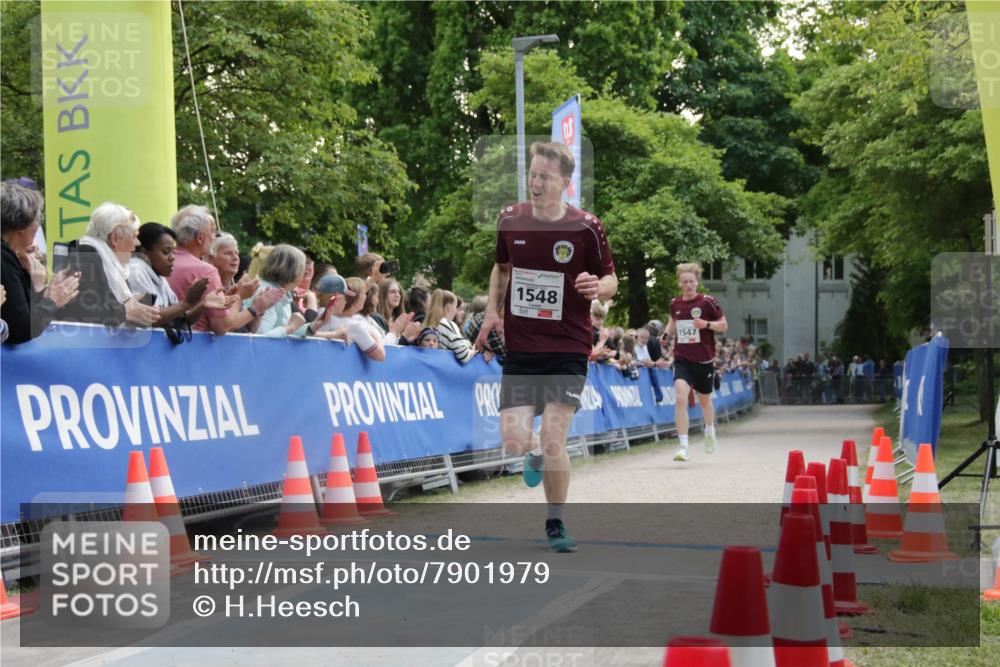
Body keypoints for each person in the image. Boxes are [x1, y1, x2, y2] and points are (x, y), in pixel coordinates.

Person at [478, 141, 618, 553]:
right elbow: (501, 268)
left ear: (565, 184)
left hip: (568, 347)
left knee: (555, 433)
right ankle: (532, 453)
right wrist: (491, 311)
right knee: (514, 441)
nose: (536, 183)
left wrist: (599, 288)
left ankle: (556, 523)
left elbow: (611, 278)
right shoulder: (510, 220)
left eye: (545, 177)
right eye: (532, 175)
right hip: (522, 348)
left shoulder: (587, 227)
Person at [170, 206, 281, 334]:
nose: (214, 237)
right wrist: (246, 301)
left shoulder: (163, 263)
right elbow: (222, 326)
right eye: (213, 232)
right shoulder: (206, 270)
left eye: (236, 253)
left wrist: (232, 297)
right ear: (200, 238)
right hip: (198, 346)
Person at [1, 182, 79, 343]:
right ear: (22, 226)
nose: (34, 242)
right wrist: (53, 300)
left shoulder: (9, 258)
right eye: (35, 230)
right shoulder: (4, 260)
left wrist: (43, 290)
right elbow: (22, 328)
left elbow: (22, 313)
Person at [664, 262, 727, 462]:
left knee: (704, 401)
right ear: (680, 283)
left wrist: (706, 324)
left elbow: (724, 325)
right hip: (682, 358)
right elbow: (673, 320)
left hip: (704, 360)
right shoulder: (675, 303)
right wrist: (666, 334)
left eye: (691, 281)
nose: (689, 285)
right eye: (685, 282)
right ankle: (683, 446)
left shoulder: (708, 302)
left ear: (697, 282)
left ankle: (710, 431)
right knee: (681, 398)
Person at [59, 202, 158, 328]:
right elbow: (77, 309)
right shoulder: (86, 256)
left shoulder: (112, 263)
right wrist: (124, 311)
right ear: (114, 239)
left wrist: (137, 309)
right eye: (134, 236)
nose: (137, 243)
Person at [127, 222, 233, 328]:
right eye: (165, 252)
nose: (172, 257)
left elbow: (178, 320)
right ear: (144, 252)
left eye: (173, 252)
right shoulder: (136, 271)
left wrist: (203, 305)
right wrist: (185, 303)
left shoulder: (159, 276)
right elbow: (146, 318)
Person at [246, 244, 325, 337]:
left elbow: (283, 332)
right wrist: (290, 327)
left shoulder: (283, 293)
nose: (305, 271)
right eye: (302, 266)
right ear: (292, 270)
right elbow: (261, 339)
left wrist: (311, 328)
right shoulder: (267, 291)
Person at [315, 276, 386, 361]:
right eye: (364, 293)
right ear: (336, 299)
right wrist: (375, 334)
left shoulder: (319, 313)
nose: (346, 300)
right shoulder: (353, 325)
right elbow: (380, 356)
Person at [427, 288, 477, 364]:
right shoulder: (447, 324)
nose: (456, 310)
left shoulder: (428, 321)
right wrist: (473, 351)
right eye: (456, 306)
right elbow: (463, 356)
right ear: (449, 308)